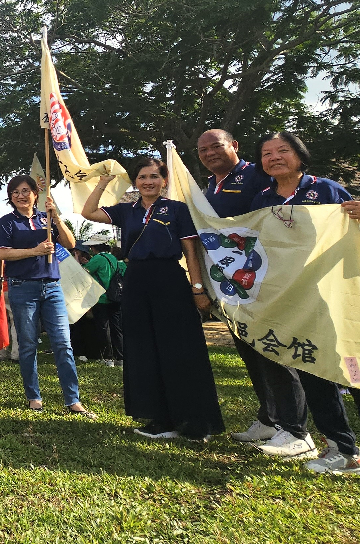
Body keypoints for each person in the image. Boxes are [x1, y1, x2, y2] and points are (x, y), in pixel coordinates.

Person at [249, 130, 360, 497]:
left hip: (343, 300)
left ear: (300, 156)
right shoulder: (263, 200)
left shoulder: (328, 190)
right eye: (267, 153)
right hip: (300, 304)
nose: (274, 158)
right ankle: (344, 451)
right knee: (314, 373)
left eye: (282, 151)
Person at [82, 158, 224, 441]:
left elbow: (190, 251)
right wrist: (102, 183)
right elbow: (89, 212)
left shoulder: (177, 209)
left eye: (154, 176)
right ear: (135, 181)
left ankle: (195, 421)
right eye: (142, 177)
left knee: (180, 348)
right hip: (136, 282)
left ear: (164, 180)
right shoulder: (126, 211)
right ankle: (160, 418)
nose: (148, 182)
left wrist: (197, 288)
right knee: (144, 350)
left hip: (169, 279)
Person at [196, 129, 313, 457]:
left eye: (216, 146)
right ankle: (269, 417)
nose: (209, 153)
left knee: (275, 351)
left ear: (234, 145)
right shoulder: (210, 185)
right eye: (203, 150)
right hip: (234, 286)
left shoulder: (255, 176)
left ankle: (295, 430)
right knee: (251, 351)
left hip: (265, 278)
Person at [0, 176, 94, 418]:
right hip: (22, 287)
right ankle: (34, 397)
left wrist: (56, 217)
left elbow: (70, 244)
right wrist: (35, 251)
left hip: (52, 287)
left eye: (25, 190)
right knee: (28, 345)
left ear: (35, 194)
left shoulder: (46, 219)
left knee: (63, 344)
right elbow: (1, 254)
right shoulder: (7, 223)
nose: (20, 195)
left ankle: (72, 399)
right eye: (15, 192)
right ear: (10, 197)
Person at [81, 241, 125, 367]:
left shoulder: (98, 258)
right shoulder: (113, 258)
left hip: (101, 298)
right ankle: (120, 357)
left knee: (103, 328)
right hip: (115, 297)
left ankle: (107, 357)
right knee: (117, 328)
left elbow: (84, 272)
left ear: (94, 247)